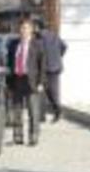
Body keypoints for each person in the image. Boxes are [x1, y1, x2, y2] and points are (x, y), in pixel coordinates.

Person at [7, 18, 45, 146]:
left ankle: (33, 136)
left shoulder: (37, 45)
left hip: (31, 81)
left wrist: (41, 83)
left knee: (33, 110)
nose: (23, 31)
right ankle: (18, 136)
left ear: (31, 30)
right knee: (16, 110)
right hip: (17, 79)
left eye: (26, 28)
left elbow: (42, 66)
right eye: (22, 28)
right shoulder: (13, 44)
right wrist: (8, 82)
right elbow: (9, 63)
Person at [35, 19, 67, 123]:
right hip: (55, 67)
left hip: (44, 68)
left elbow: (37, 53)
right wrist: (58, 56)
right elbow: (64, 46)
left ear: (38, 27)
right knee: (52, 92)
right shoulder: (54, 35)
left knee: (42, 93)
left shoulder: (38, 37)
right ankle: (57, 112)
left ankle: (44, 116)